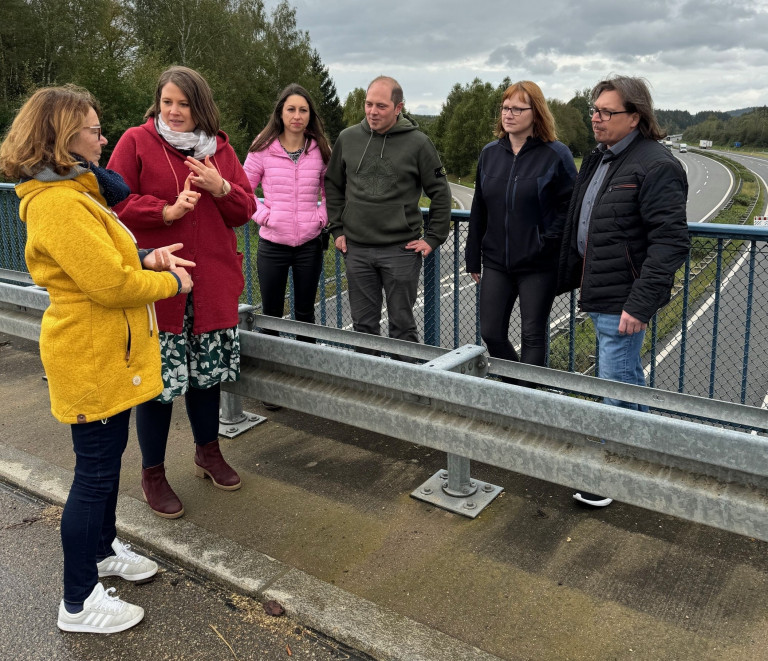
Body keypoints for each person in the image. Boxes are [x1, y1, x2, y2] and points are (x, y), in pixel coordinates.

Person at [0, 85, 194, 633]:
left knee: (105, 468)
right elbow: (107, 283)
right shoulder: (59, 201)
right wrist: (167, 280)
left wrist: (147, 253)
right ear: (64, 138)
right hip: (91, 352)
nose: (102, 136)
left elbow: (106, 256)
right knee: (94, 475)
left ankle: (102, 550)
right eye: (92, 128)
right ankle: (78, 602)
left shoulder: (76, 192)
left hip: (108, 350)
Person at [108, 66, 257, 519]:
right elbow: (112, 202)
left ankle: (207, 453)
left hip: (210, 285)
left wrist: (222, 187)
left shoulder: (221, 151)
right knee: (158, 387)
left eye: (184, 104)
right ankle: (153, 473)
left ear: (200, 108)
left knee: (206, 378)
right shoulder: (135, 141)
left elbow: (246, 209)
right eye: (167, 102)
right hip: (160, 288)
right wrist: (166, 211)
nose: (174, 111)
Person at [558, 75, 690, 507]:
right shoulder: (600, 157)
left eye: (606, 112)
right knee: (627, 379)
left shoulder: (657, 165)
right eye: (593, 110)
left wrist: (640, 302)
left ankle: (607, 476)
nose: (596, 118)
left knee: (614, 383)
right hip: (601, 288)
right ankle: (646, 456)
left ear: (635, 117)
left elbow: (670, 242)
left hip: (624, 298)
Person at [325, 76, 451, 348]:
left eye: (381, 106)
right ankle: (368, 388)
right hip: (356, 249)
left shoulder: (419, 143)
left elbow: (440, 191)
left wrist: (433, 237)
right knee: (363, 327)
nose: (372, 111)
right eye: (369, 104)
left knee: (402, 328)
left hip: (401, 251)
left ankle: (403, 389)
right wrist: (336, 229)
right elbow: (333, 184)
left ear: (398, 108)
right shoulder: (347, 139)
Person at [466, 81, 576, 381]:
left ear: (536, 113)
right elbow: (480, 206)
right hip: (497, 261)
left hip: (538, 264)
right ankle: (519, 389)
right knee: (491, 332)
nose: (509, 114)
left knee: (533, 336)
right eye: (505, 108)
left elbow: (571, 206)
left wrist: (546, 241)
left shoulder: (556, 155)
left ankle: (525, 402)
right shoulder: (490, 154)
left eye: (517, 108)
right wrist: (472, 255)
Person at [243, 84, 330, 345]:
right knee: (271, 314)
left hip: (309, 245)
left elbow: (332, 193)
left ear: (310, 115)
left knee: (306, 313)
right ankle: (274, 369)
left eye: (303, 110)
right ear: (280, 113)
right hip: (272, 245)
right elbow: (242, 191)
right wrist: (266, 217)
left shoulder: (320, 149)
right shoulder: (262, 147)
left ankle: (306, 368)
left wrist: (320, 218)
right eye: (291, 109)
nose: (297, 115)